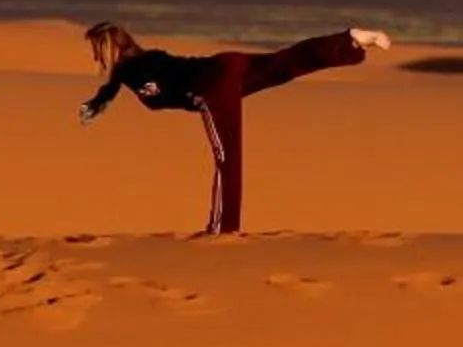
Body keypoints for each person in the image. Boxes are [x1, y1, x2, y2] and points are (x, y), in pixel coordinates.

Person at [79, 22, 393, 235]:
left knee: (226, 158)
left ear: (108, 49)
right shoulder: (134, 66)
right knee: (286, 63)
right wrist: (96, 104)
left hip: (212, 85)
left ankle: (222, 230)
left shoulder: (140, 67)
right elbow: (113, 86)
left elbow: (149, 77)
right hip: (229, 65)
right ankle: (348, 40)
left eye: (96, 49)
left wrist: (175, 92)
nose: (94, 57)